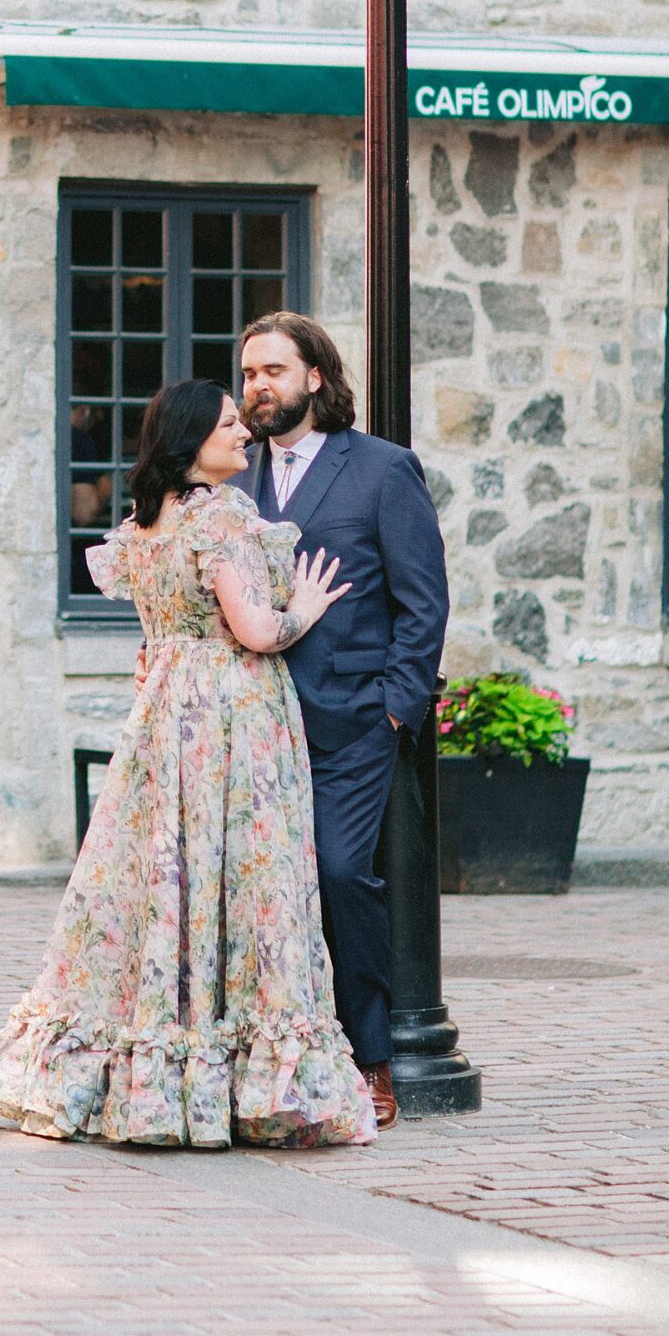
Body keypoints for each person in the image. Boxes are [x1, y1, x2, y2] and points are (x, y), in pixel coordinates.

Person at [0, 379, 378, 1150]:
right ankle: (245, 1078)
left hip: (163, 719)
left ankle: (141, 1068)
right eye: (230, 424)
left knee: (159, 882)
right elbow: (255, 630)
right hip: (231, 716)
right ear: (191, 439)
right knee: (245, 881)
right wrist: (310, 607)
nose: (244, 436)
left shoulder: (143, 527)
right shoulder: (221, 516)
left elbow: (151, 639)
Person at [237, 312, 451, 1132]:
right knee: (261, 894)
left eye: (272, 372)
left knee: (336, 876)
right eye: (249, 373)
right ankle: (269, 1062)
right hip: (254, 724)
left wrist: (396, 709)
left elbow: (421, 601)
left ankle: (371, 1058)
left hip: (354, 722)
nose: (257, 386)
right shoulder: (231, 481)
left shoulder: (381, 470)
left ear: (314, 379)